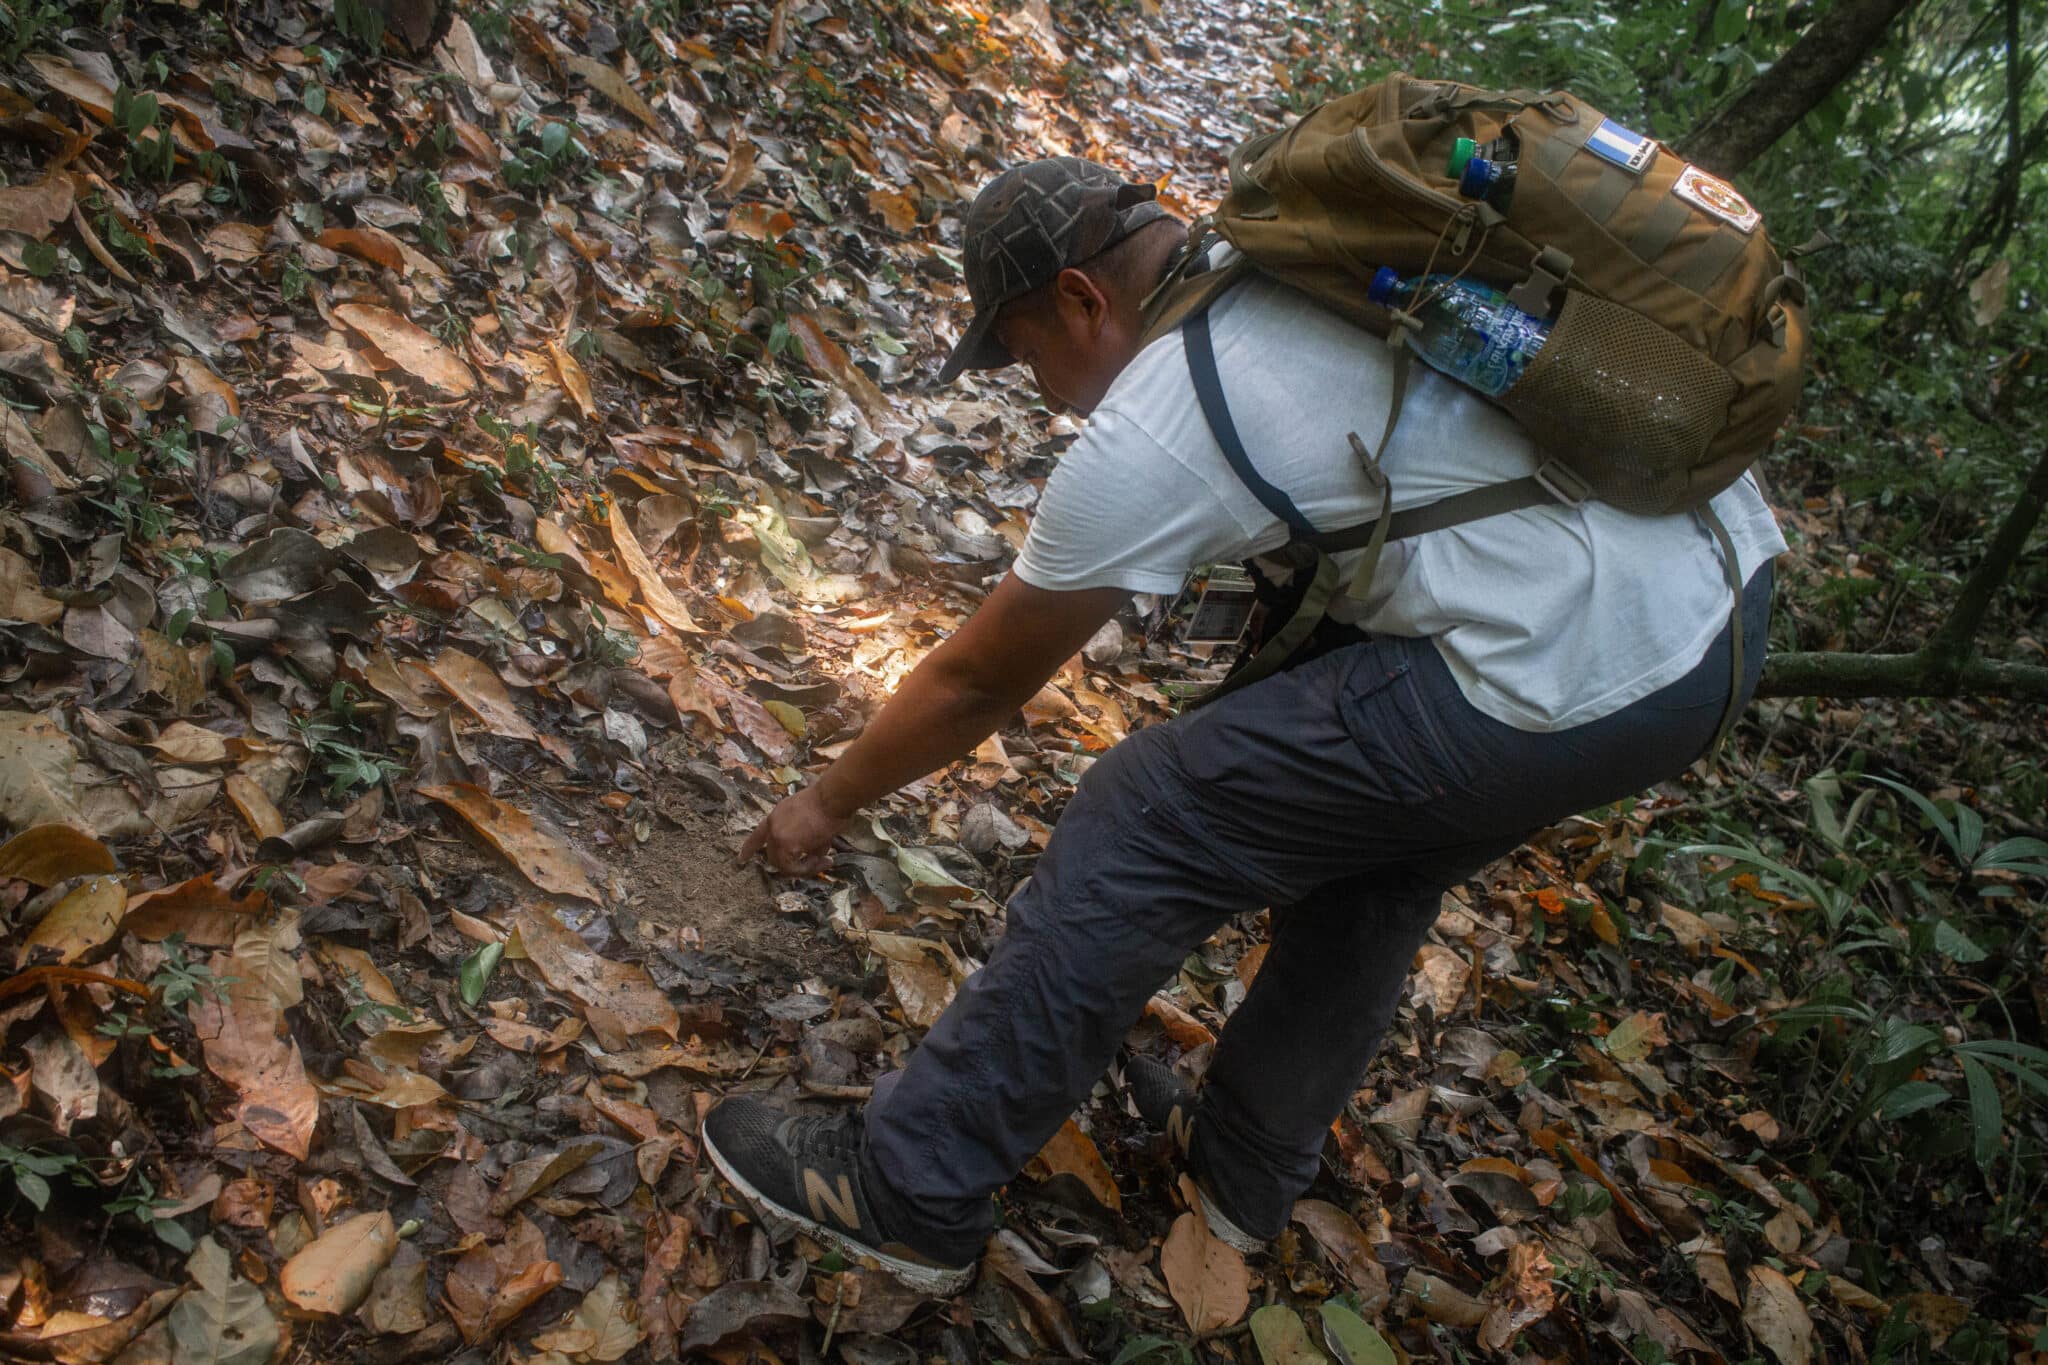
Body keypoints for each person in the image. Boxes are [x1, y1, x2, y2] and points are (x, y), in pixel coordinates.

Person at [704, 157, 1785, 1295]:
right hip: (1714, 621)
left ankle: (906, 1188)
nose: (1037, 391)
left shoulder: (1167, 415)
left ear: (1083, 299)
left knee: (1146, 813)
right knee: (1376, 862)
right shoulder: (1299, 268)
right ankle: (1242, 1169)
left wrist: (824, 802)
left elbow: (979, 682)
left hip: (1575, 657)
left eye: (1025, 351)